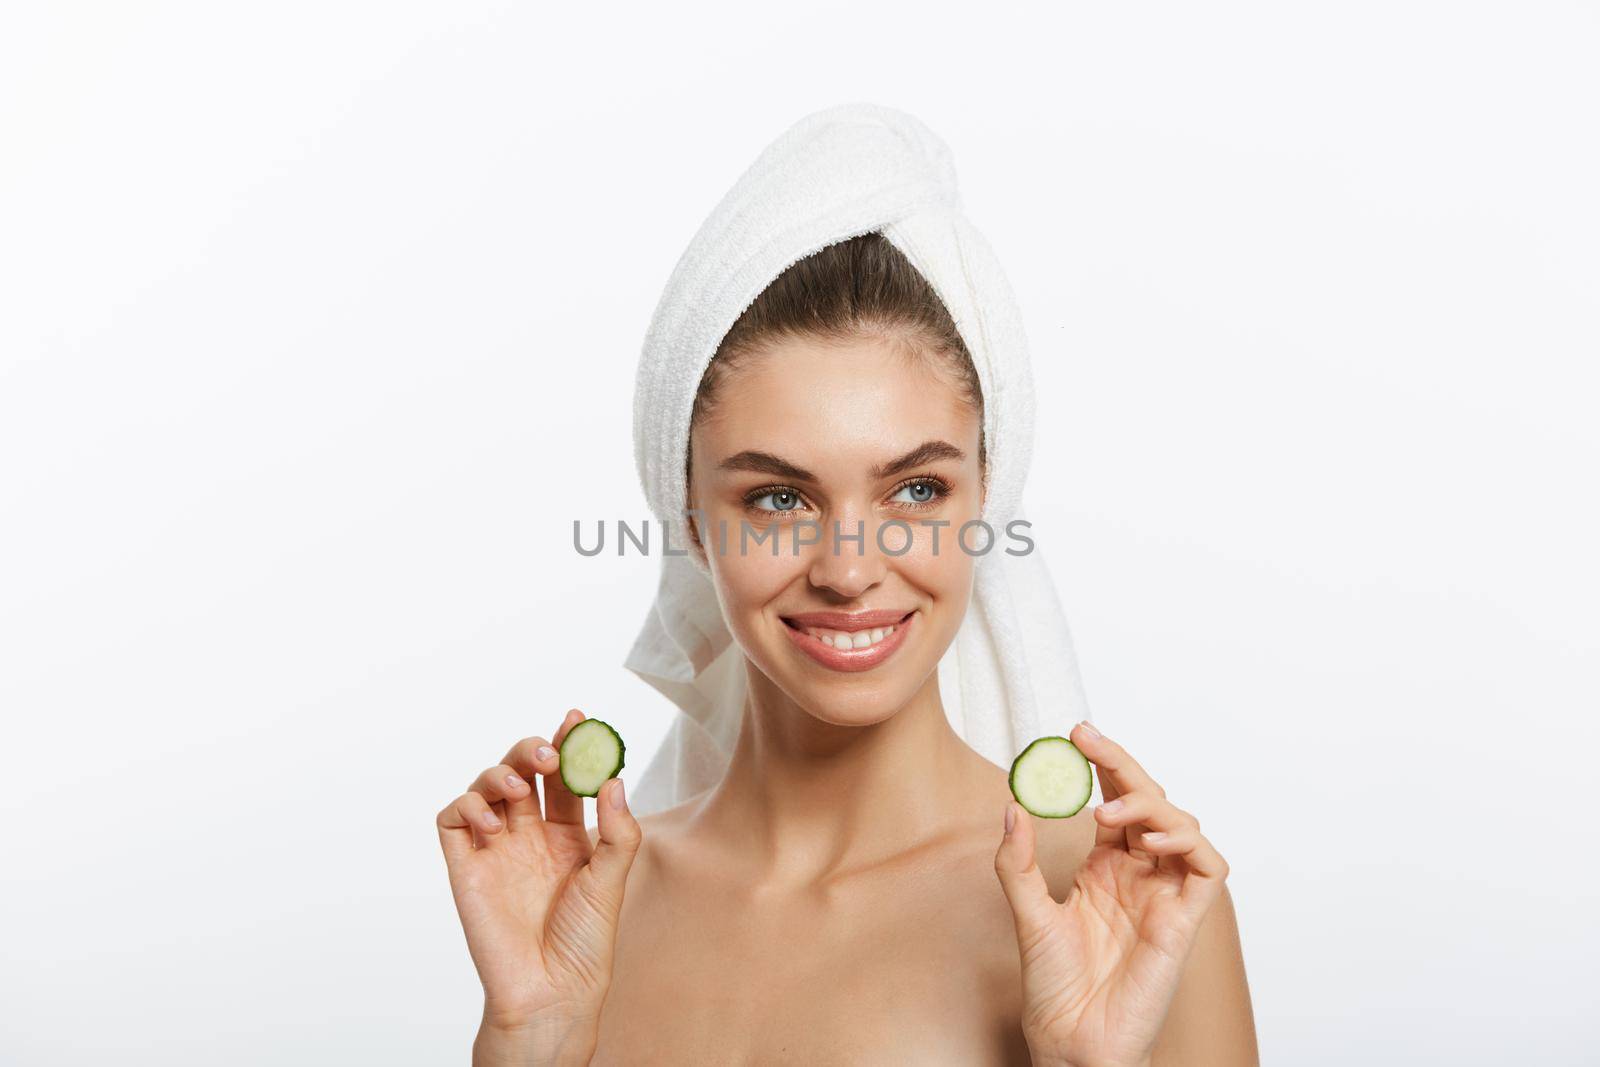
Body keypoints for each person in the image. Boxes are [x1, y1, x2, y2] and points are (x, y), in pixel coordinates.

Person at [438, 108, 1257, 1066]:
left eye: (916, 488)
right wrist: (530, 1037)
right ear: (691, 521)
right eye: (780, 496)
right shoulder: (589, 912)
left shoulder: (1123, 904)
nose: (850, 568)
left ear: (986, 496)